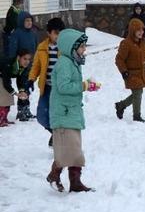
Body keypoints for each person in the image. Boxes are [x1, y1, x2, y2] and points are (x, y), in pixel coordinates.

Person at [47, 29, 100, 193]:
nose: (84, 49)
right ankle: (58, 176)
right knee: (71, 151)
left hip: (71, 112)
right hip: (64, 113)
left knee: (72, 149)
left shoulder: (72, 62)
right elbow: (63, 87)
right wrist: (83, 85)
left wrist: (86, 86)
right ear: (71, 47)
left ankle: (71, 181)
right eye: (82, 46)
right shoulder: (64, 63)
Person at [29, 17, 66, 144]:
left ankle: (61, 138)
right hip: (47, 88)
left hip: (60, 89)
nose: (58, 36)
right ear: (49, 33)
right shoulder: (42, 47)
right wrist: (31, 79)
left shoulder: (66, 47)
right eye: (56, 33)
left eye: (61, 33)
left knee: (60, 115)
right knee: (42, 116)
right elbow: (36, 67)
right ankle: (55, 133)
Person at [115, 18, 145, 122]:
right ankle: (136, 116)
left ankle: (121, 105)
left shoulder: (142, 42)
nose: (141, 32)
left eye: (142, 30)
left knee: (137, 93)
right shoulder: (126, 43)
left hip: (141, 72)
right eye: (138, 30)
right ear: (132, 30)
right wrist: (124, 71)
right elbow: (119, 59)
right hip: (131, 73)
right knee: (138, 93)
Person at [6, 11, 37, 120]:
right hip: (20, 66)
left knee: (27, 87)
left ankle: (26, 109)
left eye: (30, 21)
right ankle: (21, 110)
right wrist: (13, 62)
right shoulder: (17, 33)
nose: (29, 23)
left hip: (29, 64)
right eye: (27, 21)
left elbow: (36, 47)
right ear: (21, 21)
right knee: (22, 87)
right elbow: (12, 49)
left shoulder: (33, 33)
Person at [0, 49, 32, 127]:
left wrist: (21, 91)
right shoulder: (8, 64)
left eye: (29, 59)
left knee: (8, 97)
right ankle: (1, 119)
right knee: (5, 97)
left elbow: (21, 81)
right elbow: (6, 83)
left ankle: (3, 118)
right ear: (18, 57)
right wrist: (15, 94)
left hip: (3, 77)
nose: (27, 61)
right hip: (2, 76)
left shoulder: (23, 67)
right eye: (25, 58)